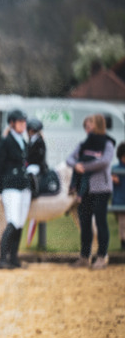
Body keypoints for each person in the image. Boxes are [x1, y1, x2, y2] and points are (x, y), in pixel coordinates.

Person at [66, 114, 116, 269]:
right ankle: (84, 256)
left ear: (98, 125)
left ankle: (101, 257)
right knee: (85, 224)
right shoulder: (83, 144)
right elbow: (69, 158)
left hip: (101, 189)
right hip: (84, 189)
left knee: (101, 223)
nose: (87, 128)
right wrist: (76, 165)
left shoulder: (107, 143)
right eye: (86, 125)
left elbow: (105, 161)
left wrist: (84, 167)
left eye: (90, 125)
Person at [0, 109, 31, 270]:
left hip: (24, 186)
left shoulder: (24, 142)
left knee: (20, 222)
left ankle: (14, 257)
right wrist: (0, 189)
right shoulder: (6, 142)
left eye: (24, 122)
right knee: (13, 221)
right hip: (11, 186)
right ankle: (2, 258)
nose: (23, 124)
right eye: (20, 122)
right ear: (12, 124)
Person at [112, 142, 125, 251]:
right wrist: (112, 179)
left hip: (120, 200)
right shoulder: (114, 169)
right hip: (119, 201)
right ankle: (123, 244)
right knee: (122, 224)